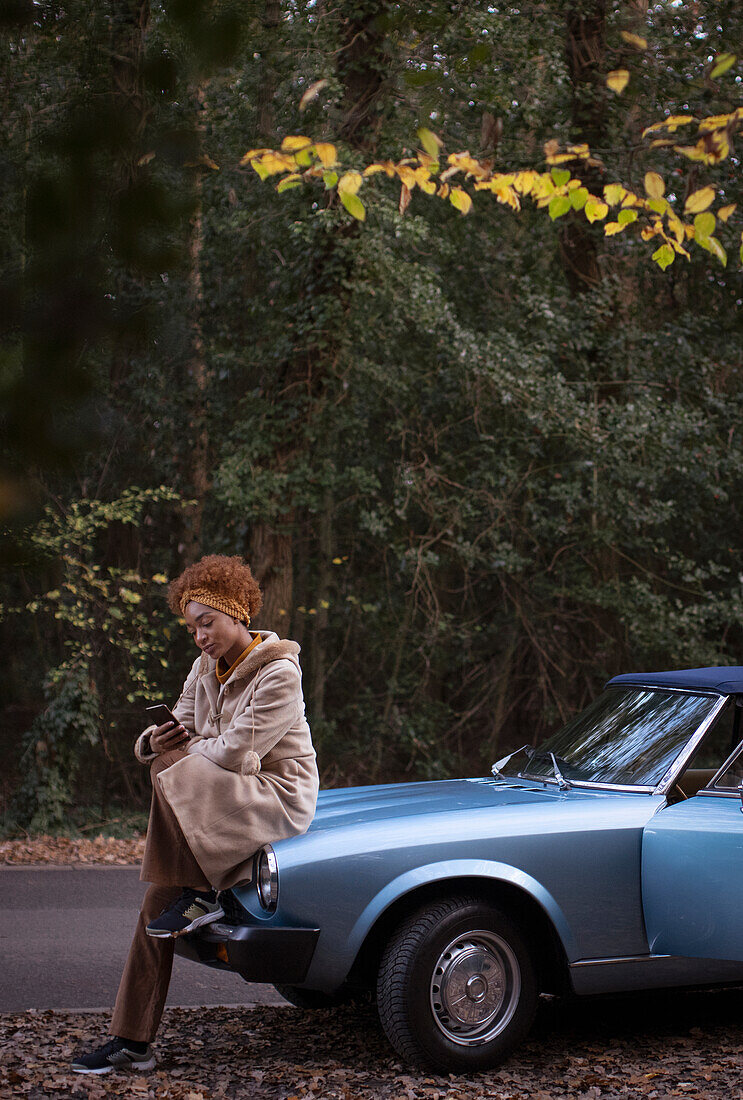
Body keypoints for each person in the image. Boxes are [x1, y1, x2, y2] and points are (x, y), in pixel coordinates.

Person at [71, 554, 319, 1074]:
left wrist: (188, 750)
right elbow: (182, 725)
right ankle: (131, 1041)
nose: (199, 636)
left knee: (174, 763)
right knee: (153, 908)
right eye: (192, 627)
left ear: (237, 613)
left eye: (207, 622)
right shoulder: (204, 667)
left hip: (274, 796)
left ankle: (200, 892)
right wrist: (154, 739)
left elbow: (234, 753)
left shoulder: (280, 672)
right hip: (218, 795)